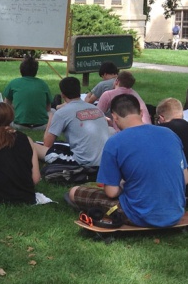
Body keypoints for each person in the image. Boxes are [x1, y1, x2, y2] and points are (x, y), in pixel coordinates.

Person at [68, 94, 187, 227]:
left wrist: (124, 186)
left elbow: (111, 192)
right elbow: (185, 177)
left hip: (139, 215)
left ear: (114, 117)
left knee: (74, 192)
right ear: (141, 112)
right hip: (175, 212)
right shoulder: (170, 134)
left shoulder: (115, 142)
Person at [35, 77, 109, 167]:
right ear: (79, 91)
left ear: (62, 94)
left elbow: (47, 144)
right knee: (63, 144)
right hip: (105, 161)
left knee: (33, 145)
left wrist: (51, 117)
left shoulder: (61, 113)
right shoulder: (96, 108)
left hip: (83, 162)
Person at [3, 55, 52, 130]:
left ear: (20, 70)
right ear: (36, 71)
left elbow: (6, 105)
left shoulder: (13, 83)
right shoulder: (43, 84)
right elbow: (48, 108)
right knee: (54, 111)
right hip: (42, 126)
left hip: (18, 124)